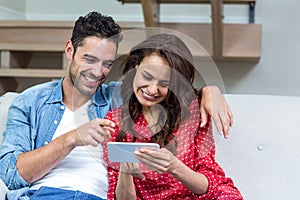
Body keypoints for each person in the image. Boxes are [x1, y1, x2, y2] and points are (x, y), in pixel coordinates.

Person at [0, 12, 232, 199]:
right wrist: (71, 138)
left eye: (107, 64)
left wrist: (209, 91)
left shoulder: (120, 100)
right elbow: (11, 175)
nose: (97, 72)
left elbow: (164, 91)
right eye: (89, 59)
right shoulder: (29, 102)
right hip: (41, 194)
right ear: (69, 50)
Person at [103, 33, 243, 199]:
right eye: (147, 76)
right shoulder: (115, 121)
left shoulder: (193, 111)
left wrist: (174, 166)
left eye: (164, 83)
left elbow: (209, 185)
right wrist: (125, 171)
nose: (152, 90)